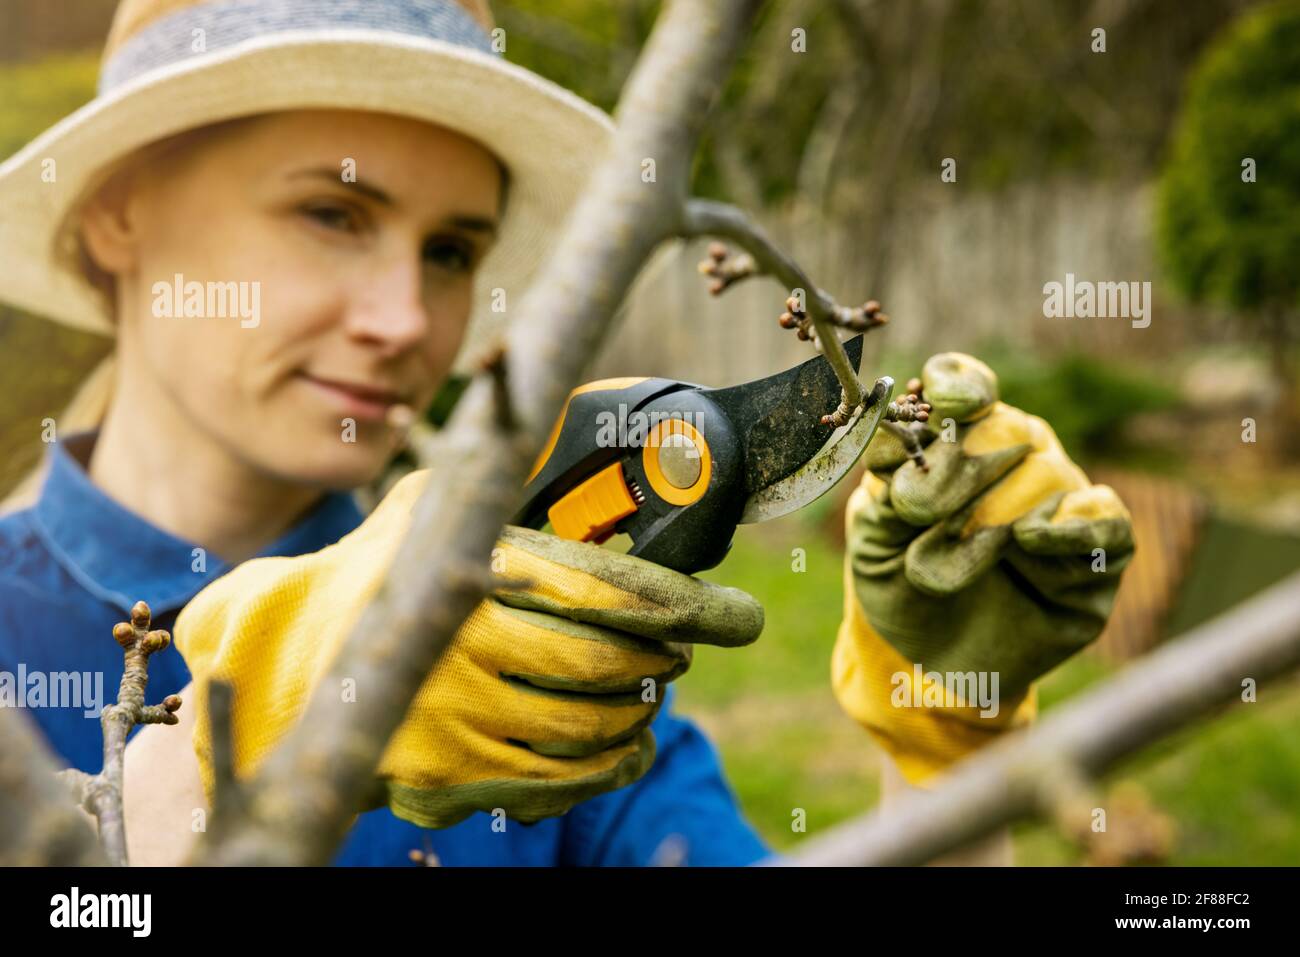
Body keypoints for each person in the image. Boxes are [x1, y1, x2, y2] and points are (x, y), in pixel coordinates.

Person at [0, 0, 1134, 866]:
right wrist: (211, 755)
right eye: (331, 212)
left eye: (452, 250)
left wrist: (945, 746)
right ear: (117, 218)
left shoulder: (540, 676)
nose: (404, 321)